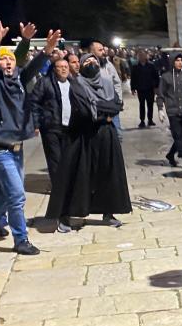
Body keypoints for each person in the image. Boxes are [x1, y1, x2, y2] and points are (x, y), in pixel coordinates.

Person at [0, 22, 47, 255]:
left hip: (17, 148)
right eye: (3, 59)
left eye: (11, 59)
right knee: (17, 195)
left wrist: (45, 49)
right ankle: (21, 239)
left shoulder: (19, 82)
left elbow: (32, 67)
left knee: (9, 193)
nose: (7, 62)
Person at [47, 52, 132, 231]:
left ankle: (108, 211)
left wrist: (100, 110)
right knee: (76, 175)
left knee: (108, 173)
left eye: (94, 60)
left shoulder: (106, 83)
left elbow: (117, 106)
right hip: (82, 136)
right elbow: (84, 111)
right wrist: (104, 114)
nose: (91, 63)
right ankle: (65, 216)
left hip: (106, 135)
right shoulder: (76, 85)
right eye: (87, 61)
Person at [24, 31, 69, 185]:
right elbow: (34, 102)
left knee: (68, 158)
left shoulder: (72, 83)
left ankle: (68, 185)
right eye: (60, 67)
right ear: (54, 69)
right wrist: (37, 123)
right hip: (51, 127)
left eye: (65, 67)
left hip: (69, 127)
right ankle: (58, 186)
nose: (63, 69)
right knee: (55, 159)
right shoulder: (45, 83)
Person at [159, 53, 182, 169]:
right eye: (177, 60)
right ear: (172, 62)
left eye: (181, 60)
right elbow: (161, 94)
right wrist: (160, 109)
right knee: (177, 135)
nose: (179, 62)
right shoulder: (165, 77)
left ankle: (171, 154)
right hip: (172, 110)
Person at [131, 49, 160, 128]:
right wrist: (133, 88)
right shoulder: (135, 67)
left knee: (150, 105)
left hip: (150, 89)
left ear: (146, 56)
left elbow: (156, 77)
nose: (141, 57)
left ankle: (150, 120)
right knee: (142, 105)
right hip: (140, 89)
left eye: (143, 55)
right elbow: (133, 78)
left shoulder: (151, 65)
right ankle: (142, 121)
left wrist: (156, 87)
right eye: (140, 55)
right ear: (138, 57)